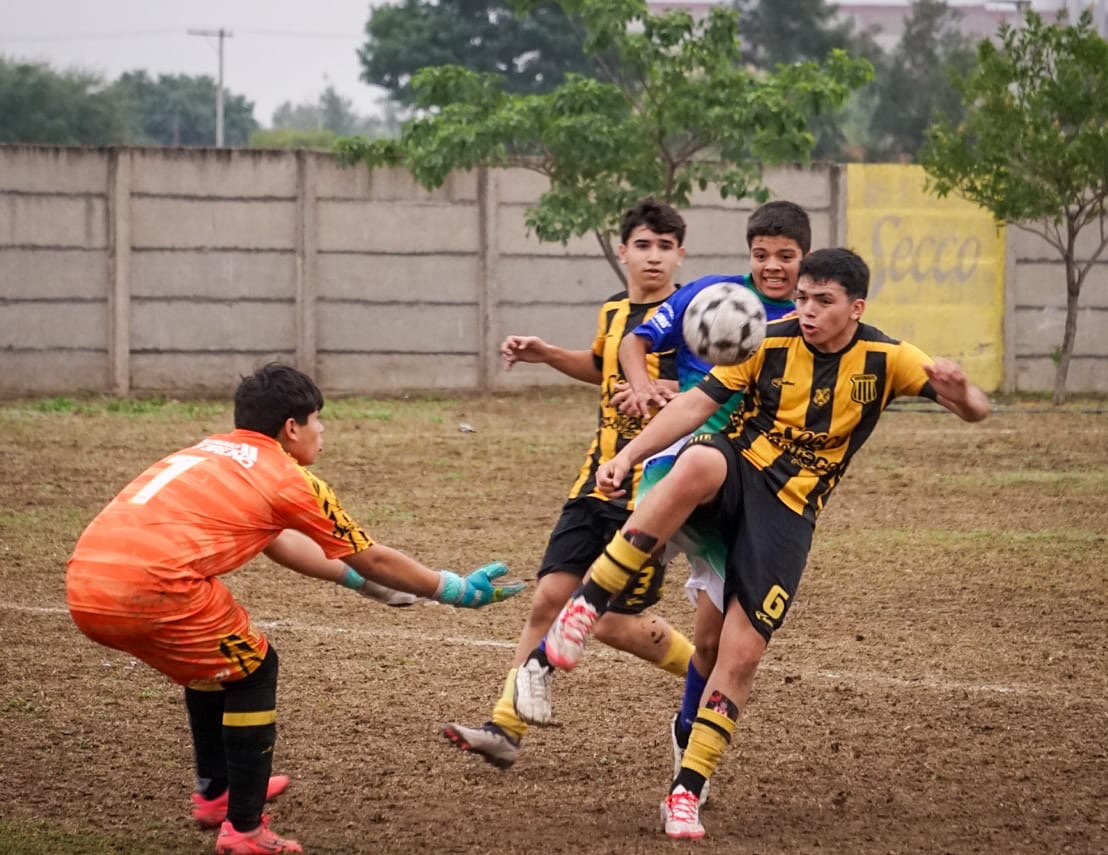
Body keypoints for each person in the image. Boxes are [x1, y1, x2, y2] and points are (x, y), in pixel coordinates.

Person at [542, 248, 990, 840]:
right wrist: (627, 455)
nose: (806, 310)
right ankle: (586, 606)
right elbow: (698, 405)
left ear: (856, 308)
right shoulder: (765, 339)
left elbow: (977, 410)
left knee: (736, 650)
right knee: (697, 462)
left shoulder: (889, 358)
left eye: (823, 302)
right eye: (802, 297)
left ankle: (686, 792)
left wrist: (959, 391)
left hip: (790, 511)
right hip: (738, 467)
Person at [66, 362, 523, 855]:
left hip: (87, 582)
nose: (322, 431)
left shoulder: (209, 451)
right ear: (292, 427)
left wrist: (365, 586)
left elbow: (280, 542)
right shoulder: (286, 475)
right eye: (318, 420)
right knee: (254, 670)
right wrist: (452, 588)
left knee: (212, 670)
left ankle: (216, 794)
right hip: (157, 587)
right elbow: (372, 555)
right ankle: (243, 830)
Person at [441, 197, 696, 768]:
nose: (653, 258)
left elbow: (716, 389)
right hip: (594, 481)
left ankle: (704, 671)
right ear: (623, 250)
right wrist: (547, 354)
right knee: (551, 598)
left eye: (665, 246)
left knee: (603, 621)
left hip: (654, 489)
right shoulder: (612, 312)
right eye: (643, 245)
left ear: (680, 254)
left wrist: (662, 394)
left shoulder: (693, 317)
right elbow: (600, 364)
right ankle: (504, 730)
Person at [615, 200, 809, 799]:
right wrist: (648, 383)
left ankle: (686, 725)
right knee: (611, 570)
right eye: (761, 255)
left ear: (804, 259)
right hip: (697, 454)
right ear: (748, 253)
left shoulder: (811, 319)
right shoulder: (712, 294)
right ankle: (599, 588)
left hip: (763, 485)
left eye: (786, 257)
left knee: (711, 641)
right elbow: (638, 337)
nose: (772, 267)